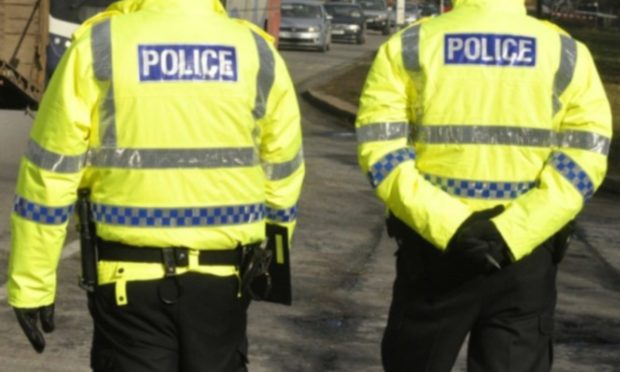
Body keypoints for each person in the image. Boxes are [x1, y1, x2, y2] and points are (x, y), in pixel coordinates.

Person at [7, 0, 304, 371]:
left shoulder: (99, 46)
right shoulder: (256, 52)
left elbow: (48, 177)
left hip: (126, 283)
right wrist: (270, 265)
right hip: (223, 285)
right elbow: (283, 173)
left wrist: (33, 283)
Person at [355, 0, 612, 371]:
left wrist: (451, 226)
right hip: (524, 257)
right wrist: (513, 231)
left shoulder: (411, 45)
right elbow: (586, 155)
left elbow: (381, 151)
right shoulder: (566, 52)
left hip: (434, 255)